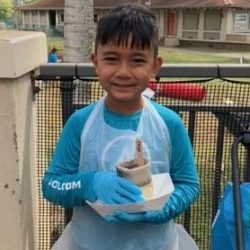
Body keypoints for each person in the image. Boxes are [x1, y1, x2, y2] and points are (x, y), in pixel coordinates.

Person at [42, 3, 200, 250]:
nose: (123, 72)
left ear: (154, 67)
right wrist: (91, 183)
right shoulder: (80, 123)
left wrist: (164, 208)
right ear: (96, 62)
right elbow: (52, 184)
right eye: (112, 59)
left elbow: (188, 185)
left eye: (137, 60)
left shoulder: (170, 124)